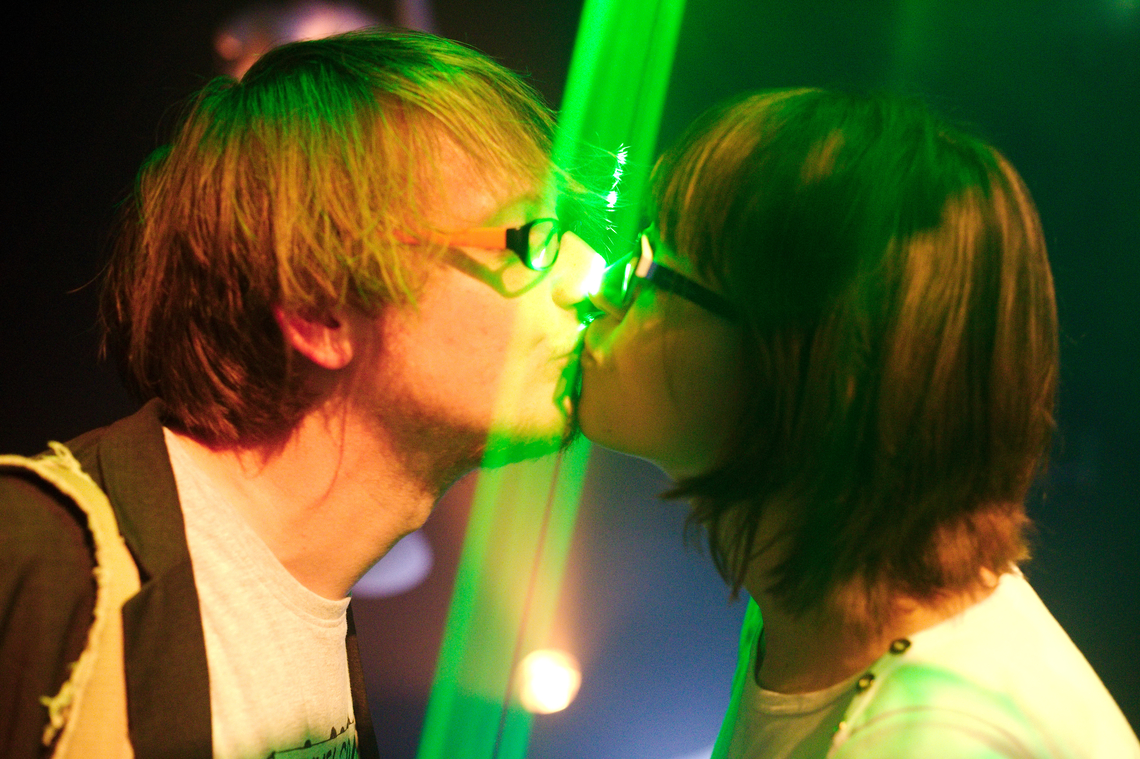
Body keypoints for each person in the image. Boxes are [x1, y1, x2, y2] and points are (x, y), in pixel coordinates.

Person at [0, 30, 597, 759]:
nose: (587, 279)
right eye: (534, 237)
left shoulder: (312, 615)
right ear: (320, 312)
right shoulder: (29, 561)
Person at [577, 89, 1139, 758]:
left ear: (795, 360)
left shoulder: (936, 738)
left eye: (651, 268)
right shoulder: (823, 606)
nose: (601, 291)